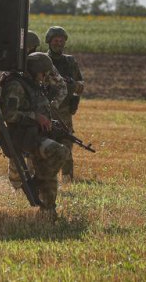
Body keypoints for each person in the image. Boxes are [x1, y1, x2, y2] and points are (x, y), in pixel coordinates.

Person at [1, 52, 70, 219]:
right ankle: (37, 182)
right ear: (33, 70)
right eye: (43, 73)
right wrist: (36, 117)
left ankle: (48, 211)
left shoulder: (32, 84)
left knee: (48, 169)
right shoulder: (16, 86)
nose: (45, 77)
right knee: (58, 152)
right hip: (22, 137)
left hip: (34, 135)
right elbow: (9, 115)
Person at [45, 26, 84, 182]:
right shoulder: (43, 60)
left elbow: (80, 84)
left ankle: (67, 178)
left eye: (61, 40)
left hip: (65, 110)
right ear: (49, 41)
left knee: (66, 143)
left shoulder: (70, 61)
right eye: (55, 40)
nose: (59, 43)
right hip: (47, 109)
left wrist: (74, 94)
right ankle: (42, 177)